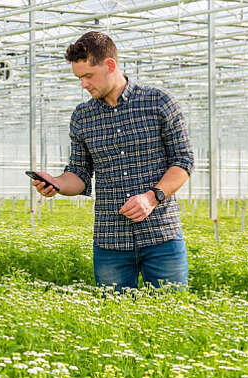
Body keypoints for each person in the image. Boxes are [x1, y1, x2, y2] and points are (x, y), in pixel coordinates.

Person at [31, 31, 194, 292]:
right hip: (110, 242)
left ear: (109, 65)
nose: (83, 85)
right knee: (113, 321)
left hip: (162, 236)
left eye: (87, 76)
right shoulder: (83, 117)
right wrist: (57, 184)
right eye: (79, 78)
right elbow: (78, 173)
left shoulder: (159, 103)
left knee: (171, 317)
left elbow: (183, 162)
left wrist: (151, 198)